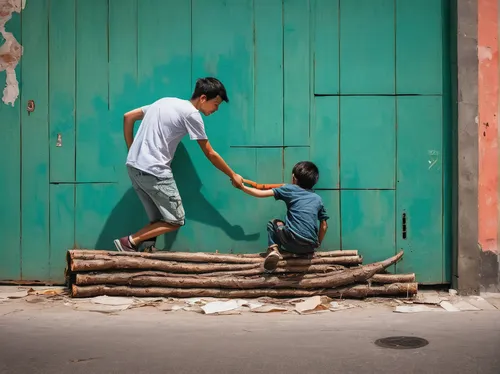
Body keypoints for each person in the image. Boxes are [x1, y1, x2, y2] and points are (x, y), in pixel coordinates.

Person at [114, 77, 244, 252]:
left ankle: (147, 250)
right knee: (175, 220)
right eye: (216, 104)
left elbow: (128, 117)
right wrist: (232, 174)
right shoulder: (191, 114)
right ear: (203, 98)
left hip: (134, 167)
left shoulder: (165, 102)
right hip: (154, 170)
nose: (216, 109)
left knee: (158, 218)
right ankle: (129, 242)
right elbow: (210, 153)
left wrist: (132, 151)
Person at [236, 161, 329, 271]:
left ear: (294, 178)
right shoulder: (318, 198)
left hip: (291, 241)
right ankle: (301, 249)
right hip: (309, 246)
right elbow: (324, 225)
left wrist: (242, 187)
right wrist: (317, 243)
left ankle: (274, 251)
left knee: (273, 223)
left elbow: (260, 193)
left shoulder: (290, 189)